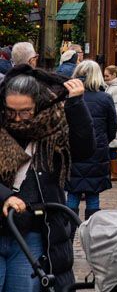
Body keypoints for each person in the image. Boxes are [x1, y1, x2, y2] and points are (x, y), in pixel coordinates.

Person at [0, 66, 94, 291]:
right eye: (10, 111)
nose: (17, 118)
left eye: (25, 111)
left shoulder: (53, 127)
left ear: (39, 104)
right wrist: (4, 196)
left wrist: (77, 105)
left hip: (32, 230)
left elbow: (84, 150)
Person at [65, 60, 117, 219]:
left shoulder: (68, 97)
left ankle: (69, 229)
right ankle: (91, 230)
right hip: (97, 150)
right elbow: (112, 127)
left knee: (72, 193)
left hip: (72, 150)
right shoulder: (105, 98)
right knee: (93, 194)